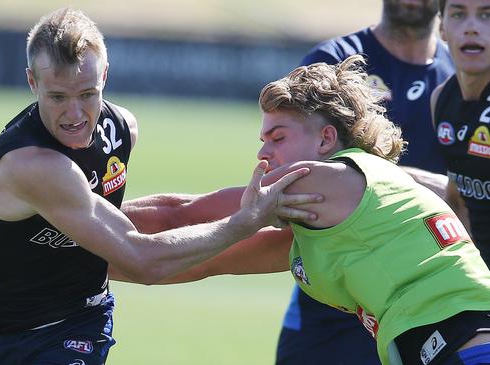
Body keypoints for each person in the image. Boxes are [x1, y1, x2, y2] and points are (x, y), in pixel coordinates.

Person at [0, 8, 322, 365]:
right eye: (57, 96)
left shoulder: (121, 127)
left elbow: (157, 215)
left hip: (81, 319)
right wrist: (243, 223)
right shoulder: (34, 165)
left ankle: (326, 223)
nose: (75, 114)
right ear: (31, 82)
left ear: (105, 77)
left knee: (179, 214)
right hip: (5, 338)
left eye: (88, 94)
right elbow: (141, 261)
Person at [125, 55, 490, 365]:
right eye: (263, 140)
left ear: (325, 139)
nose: (263, 153)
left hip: (471, 344)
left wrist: (75, 213)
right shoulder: (325, 224)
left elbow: (180, 214)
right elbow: (202, 260)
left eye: (278, 137)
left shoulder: (323, 179)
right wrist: (79, 263)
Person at [274, 1, 456, 363]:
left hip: (425, 296)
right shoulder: (335, 61)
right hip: (335, 298)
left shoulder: (461, 74)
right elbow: (305, 172)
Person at [432, 0, 490, 265]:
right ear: (442, 27)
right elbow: (457, 200)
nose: (471, 28)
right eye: (458, 14)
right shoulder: (441, 99)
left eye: (486, 15)